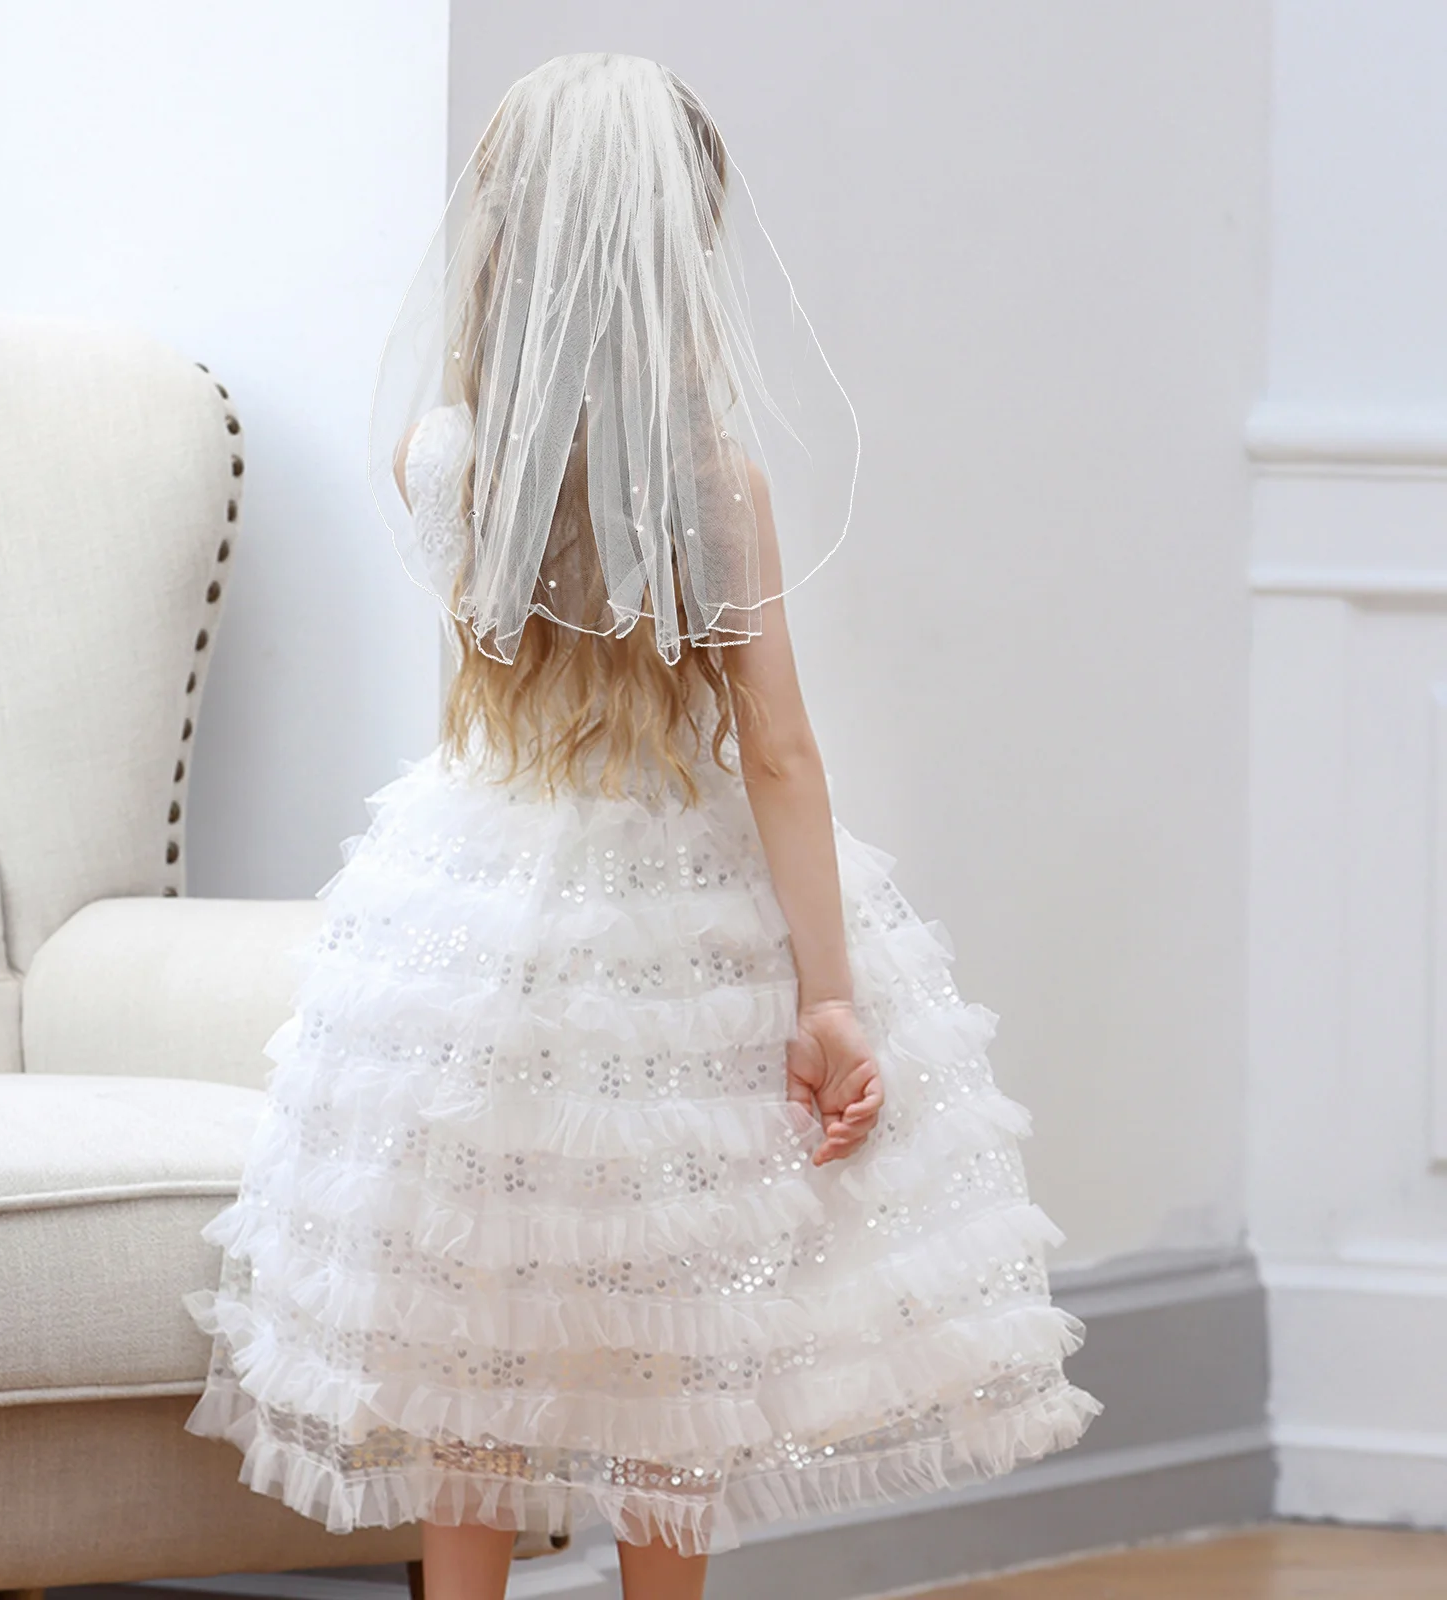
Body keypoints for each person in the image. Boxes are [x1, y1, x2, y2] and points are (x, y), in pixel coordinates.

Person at [183, 52, 1101, 1600]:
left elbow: (484, 680)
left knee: (471, 1337)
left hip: (473, 918)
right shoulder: (713, 485)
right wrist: (826, 997)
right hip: (676, 922)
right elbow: (779, 753)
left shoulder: (440, 460)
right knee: (670, 1339)